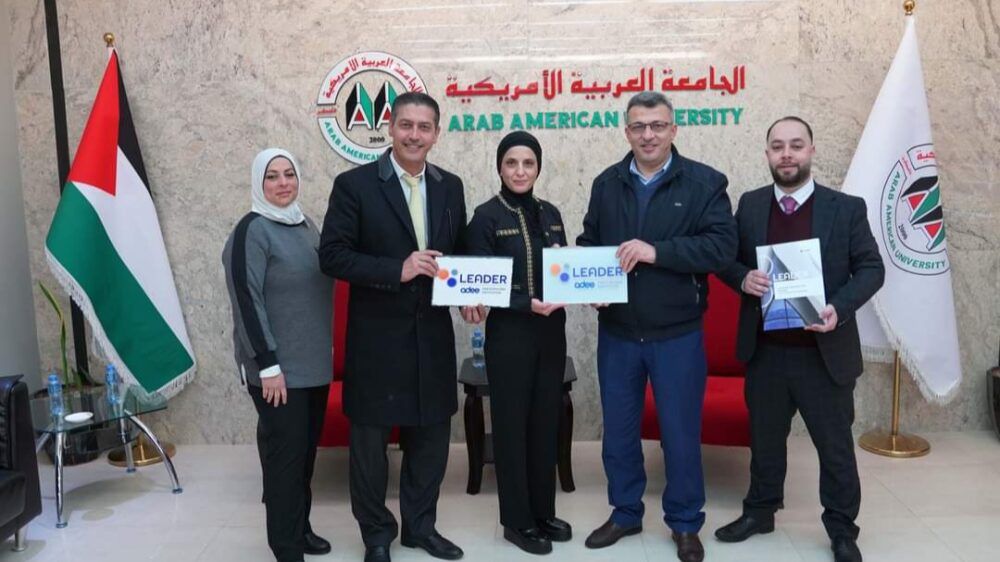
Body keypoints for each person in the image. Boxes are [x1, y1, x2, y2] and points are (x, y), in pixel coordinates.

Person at [576, 91, 736, 562]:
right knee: (619, 432)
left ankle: (685, 523)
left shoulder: (705, 183)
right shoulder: (606, 183)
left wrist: (656, 252)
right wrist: (591, 284)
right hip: (619, 333)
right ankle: (625, 512)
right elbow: (589, 242)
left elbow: (720, 249)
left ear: (673, 129)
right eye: (639, 126)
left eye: (658, 125)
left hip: (677, 334)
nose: (648, 135)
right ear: (626, 131)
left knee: (680, 434)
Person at [715, 116, 884, 562]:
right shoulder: (751, 205)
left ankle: (842, 529)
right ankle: (760, 511)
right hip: (766, 352)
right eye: (777, 146)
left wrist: (839, 308)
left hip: (823, 354)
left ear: (811, 150)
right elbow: (726, 259)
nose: (786, 154)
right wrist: (742, 278)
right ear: (767, 154)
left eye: (795, 145)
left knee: (835, 448)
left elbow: (872, 268)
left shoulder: (846, 208)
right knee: (765, 440)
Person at [318, 93, 467, 562]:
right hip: (377, 340)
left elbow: (459, 255)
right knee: (369, 446)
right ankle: (377, 535)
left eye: (424, 127)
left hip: (432, 337)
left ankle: (420, 528)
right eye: (406, 125)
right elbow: (332, 256)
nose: (414, 135)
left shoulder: (450, 186)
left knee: (431, 438)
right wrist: (395, 269)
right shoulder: (354, 185)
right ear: (391, 128)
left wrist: (469, 294)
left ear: (436, 133)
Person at [461, 131, 572, 555]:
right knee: (511, 427)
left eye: (528, 163)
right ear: (500, 167)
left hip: (551, 333)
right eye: (512, 163)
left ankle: (542, 512)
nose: (520, 171)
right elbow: (478, 284)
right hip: (509, 335)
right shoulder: (486, 217)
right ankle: (517, 521)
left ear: (538, 167)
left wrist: (580, 286)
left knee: (545, 422)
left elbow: (565, 268)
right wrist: (527, 303)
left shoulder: (552, 213)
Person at [222, 148, 334, 562]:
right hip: (277, 371)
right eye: (272, 176)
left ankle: (299, 529)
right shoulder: (251, 231)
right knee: (285, 460)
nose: (283, 183)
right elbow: (246, 301)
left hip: (314, 365)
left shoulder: (305, 225)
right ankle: (286, 547)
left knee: (304, 456)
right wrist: (267, 364)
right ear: (259, 182)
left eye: (289, 174)